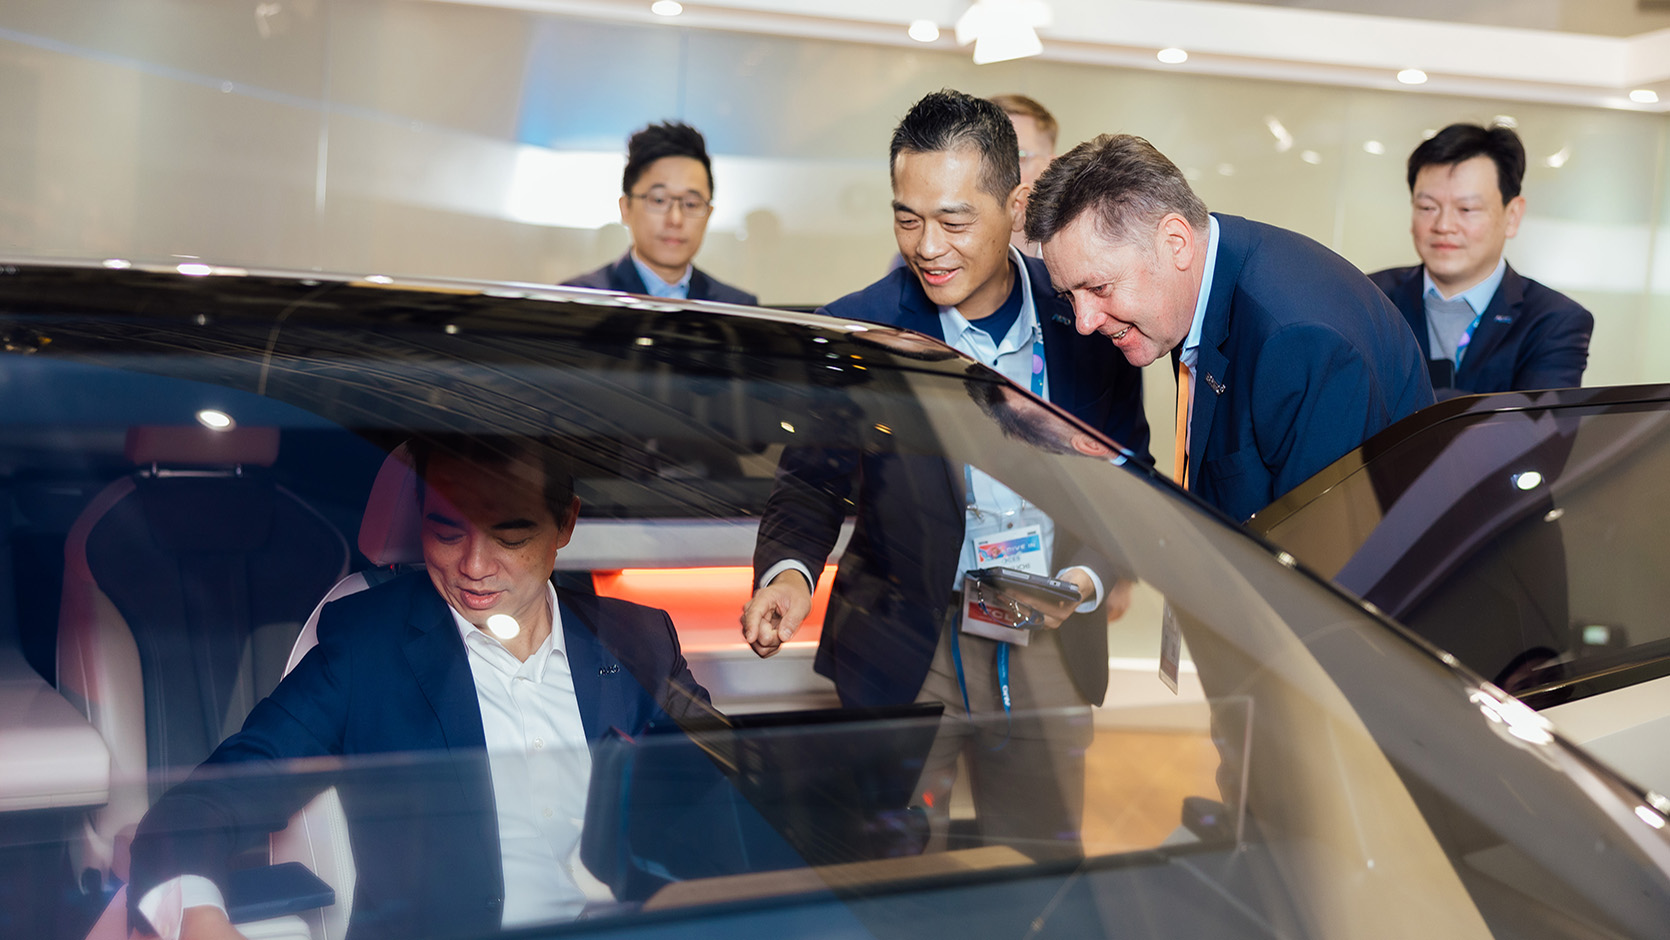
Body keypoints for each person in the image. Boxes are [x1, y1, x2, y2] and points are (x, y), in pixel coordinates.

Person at [740, 89, 1149, 860]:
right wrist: (790, 572)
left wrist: (1087, 581)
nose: (927, 246)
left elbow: (1127, 474)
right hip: (906, 639)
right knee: (886, 869)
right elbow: (810, 482)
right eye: (907, 218)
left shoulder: (1086, 319)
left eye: (954, 222)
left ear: (1016, 205)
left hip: (1045, 631)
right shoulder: (860, 330)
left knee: (1038, 863)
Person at [127, 436, 712, 940]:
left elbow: (722, 802)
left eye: (509, 534)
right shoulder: (367, 650)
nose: (474, 566)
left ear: (566, 524)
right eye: (447, 531)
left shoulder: (639, 641)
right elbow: (201, 807)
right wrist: (199, 916)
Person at [1026, 133, 1433, 524]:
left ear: (1176, 243)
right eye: (1069, 296)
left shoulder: (1299, 341)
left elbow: (1325, 552)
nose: (1084, 322)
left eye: (1099, 288)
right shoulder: (1194, 285)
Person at [1370, 123, 1593, 398]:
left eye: (1466, 209)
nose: (1443, 225)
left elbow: (1538, 424)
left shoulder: (1553, 320)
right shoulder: (1369, 298)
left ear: (1512, 216)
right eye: (1427, 207)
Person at [564, 121, 757, 305]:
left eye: (691, 204)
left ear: (708, 214)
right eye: (659, 200)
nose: (675, 219)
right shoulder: (577, 300)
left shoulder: (738, 307)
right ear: (626, 208)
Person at [989, 93, 1059, 255]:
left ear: (1051, 167)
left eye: (1018, 156)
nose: (999, 169)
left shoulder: (1069, 254)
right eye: (990, 155)